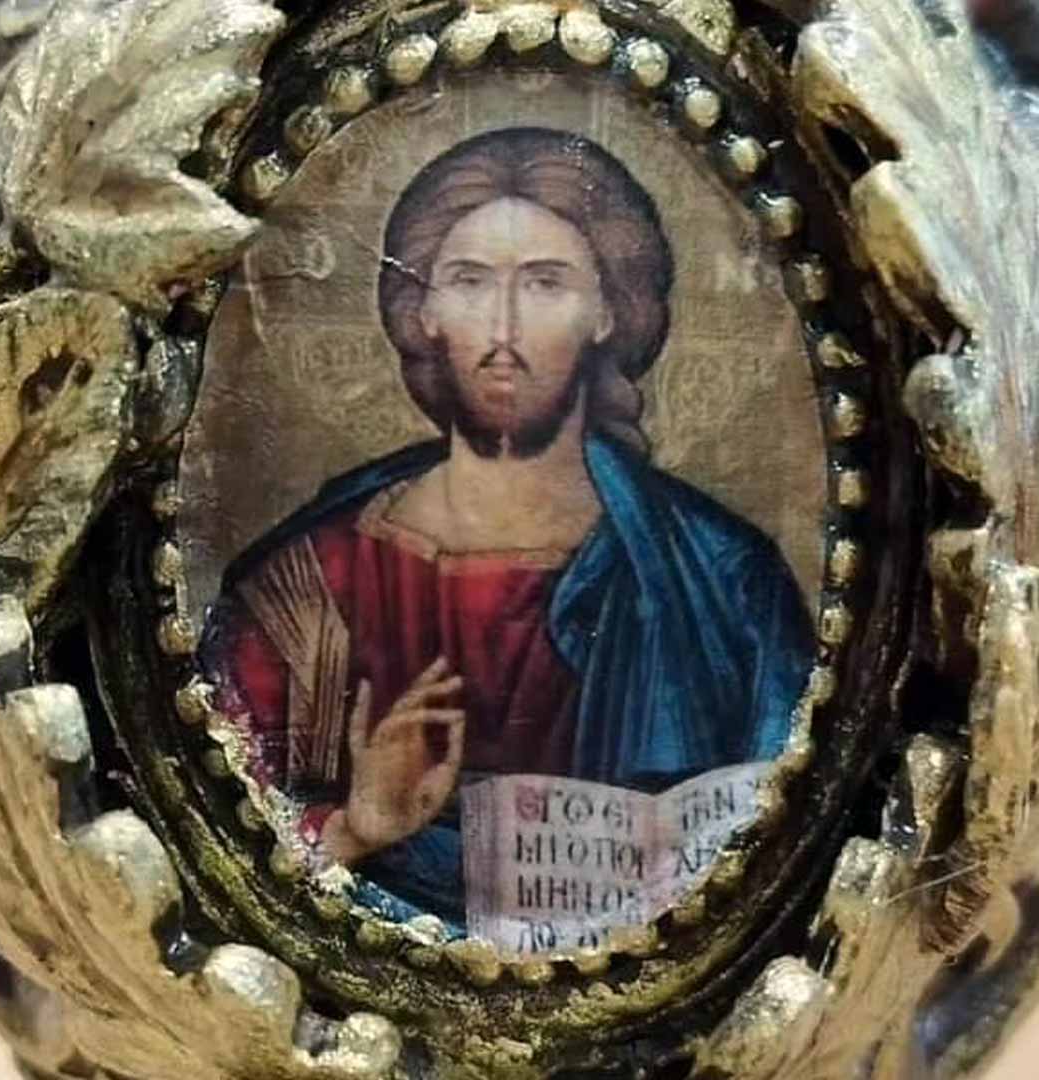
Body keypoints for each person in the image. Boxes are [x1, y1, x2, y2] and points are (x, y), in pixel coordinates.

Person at [200, 126, 815, 925]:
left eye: (545, 284)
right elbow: (223, 846)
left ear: (607, 311)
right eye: (469, 281)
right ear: (423, 310)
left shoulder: (725, 586)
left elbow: (785, 841)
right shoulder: (309, 586)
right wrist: (358, 828)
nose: (502, 331)